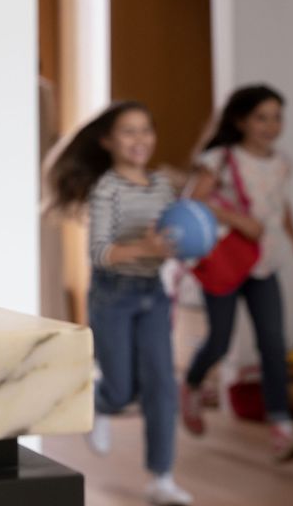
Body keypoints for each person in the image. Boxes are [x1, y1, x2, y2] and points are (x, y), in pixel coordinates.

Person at [47, 101, 192, 506]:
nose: (139, 139)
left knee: (162, 386)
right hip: (113, 296)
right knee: (121, 388)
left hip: (152, 293)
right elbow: (98, 251)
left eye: (146, 130)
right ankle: (98, 403)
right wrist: (143, 247)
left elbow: (172, 232)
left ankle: (161, 478)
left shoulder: (162, 185)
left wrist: (177, 245)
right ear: (108, 141)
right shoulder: (106, 189)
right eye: (128, 131)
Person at [180, 84, 293, 462]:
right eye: (261, 117)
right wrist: (236, 219)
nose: (271, 126)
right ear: (240, 121)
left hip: (265, 263)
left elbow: (279, 204)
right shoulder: (220, 159)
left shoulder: (282, 162)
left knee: (273, 343)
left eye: (276, 117)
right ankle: (190, 385)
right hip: (226, 260)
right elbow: (193, 200)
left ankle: (282, 427)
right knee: (219, 341)